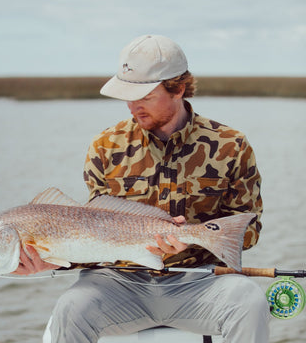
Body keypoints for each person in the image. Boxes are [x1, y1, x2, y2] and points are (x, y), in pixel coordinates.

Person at [15, 34, 270, 342]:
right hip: (118, 283)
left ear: (177, 88)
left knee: (249, 302)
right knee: (70, 308)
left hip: (198, 282)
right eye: (127, 95)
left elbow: (249, 230)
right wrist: (49, 258)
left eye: (144, 97)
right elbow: (93, 234)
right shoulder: (105, 146)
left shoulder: (231, 145)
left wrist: (192, 239)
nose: (132, 106)